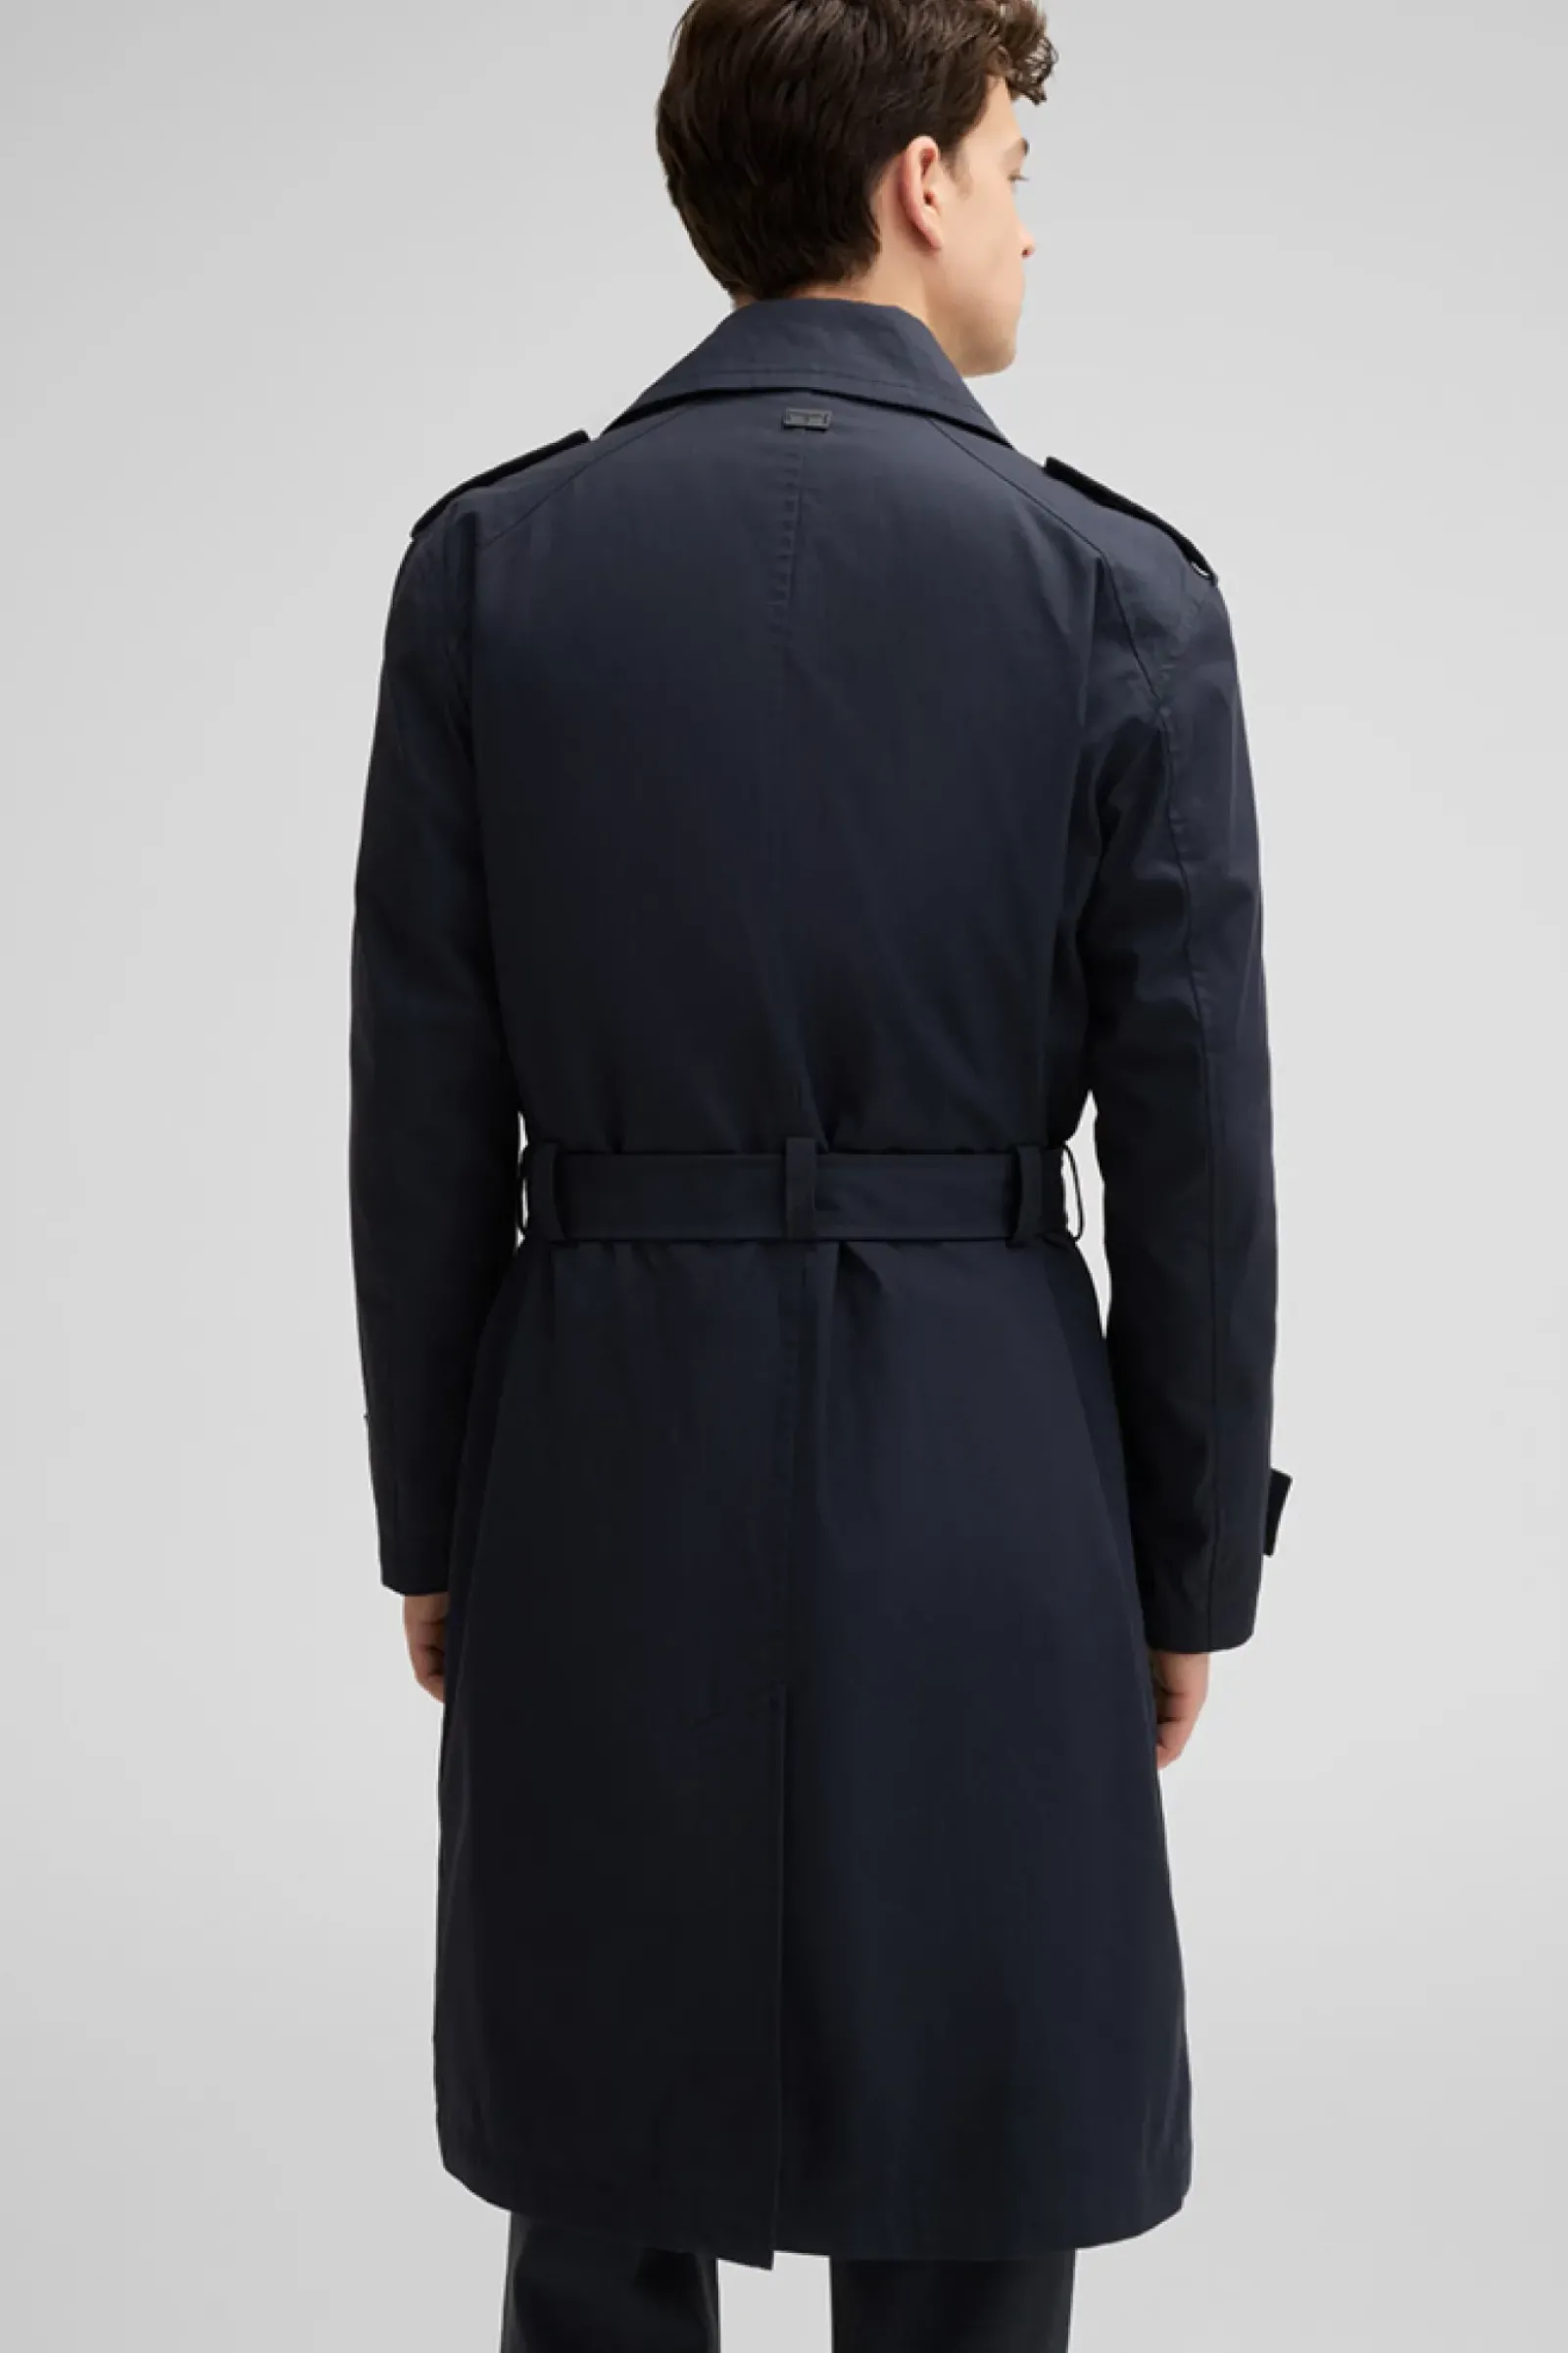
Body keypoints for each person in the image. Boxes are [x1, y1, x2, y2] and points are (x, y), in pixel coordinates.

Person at [347, 2, 1292, 2345]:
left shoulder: (493, 568)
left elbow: (423, 1106)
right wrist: (1183, 1560)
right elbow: (1190, 1145)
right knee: (972, 2170)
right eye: (1012, 160)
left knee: (601, 2173)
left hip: (596, 1452)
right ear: (914, 180)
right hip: (985, 1467)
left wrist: (439, 1522)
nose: (1026, 218)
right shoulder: (1111, 593)